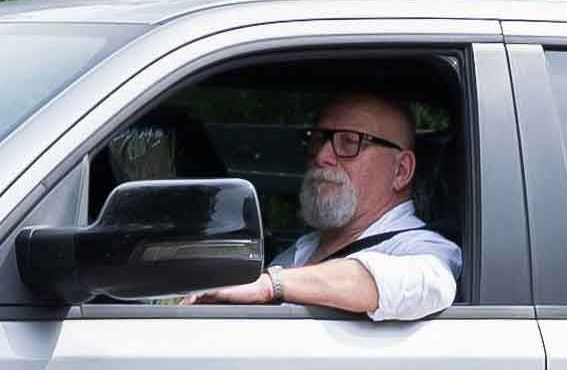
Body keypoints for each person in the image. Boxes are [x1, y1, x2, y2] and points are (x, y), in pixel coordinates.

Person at [195, 88, 462, 322]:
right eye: (318, 139)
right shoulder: (301, 250)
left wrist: (270, 285)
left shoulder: (423, 249)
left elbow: (421, 284)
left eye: (350, 142)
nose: (322, 156)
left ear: (401, 171)